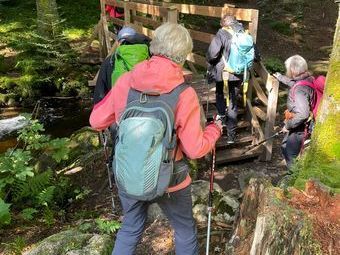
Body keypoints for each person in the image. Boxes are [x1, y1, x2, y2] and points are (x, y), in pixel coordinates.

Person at [89, 23, 222, 255]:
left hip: (128, 171)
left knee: (130, 227)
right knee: (184, 229)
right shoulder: (184, 93)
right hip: (171, 178)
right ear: (183, 54)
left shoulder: (126, 81)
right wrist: (215, 130)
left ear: (154, 46)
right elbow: (195, 149)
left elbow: (96, 121)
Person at [274, 55, 315, 169]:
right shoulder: (307, 79)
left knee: (290, 153)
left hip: (300, 128)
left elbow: (303, 114)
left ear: (292, 70)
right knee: (284, 146)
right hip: (299, 126)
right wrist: (280, 77)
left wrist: (287, 125)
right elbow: (294, 83)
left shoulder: (299, 90)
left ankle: (294, 180)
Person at [93, 26, 150, 104]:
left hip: (119, 108)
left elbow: (100, 93)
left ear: (118, 43)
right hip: (144, 105)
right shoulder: (148, 56)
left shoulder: (110, 61)